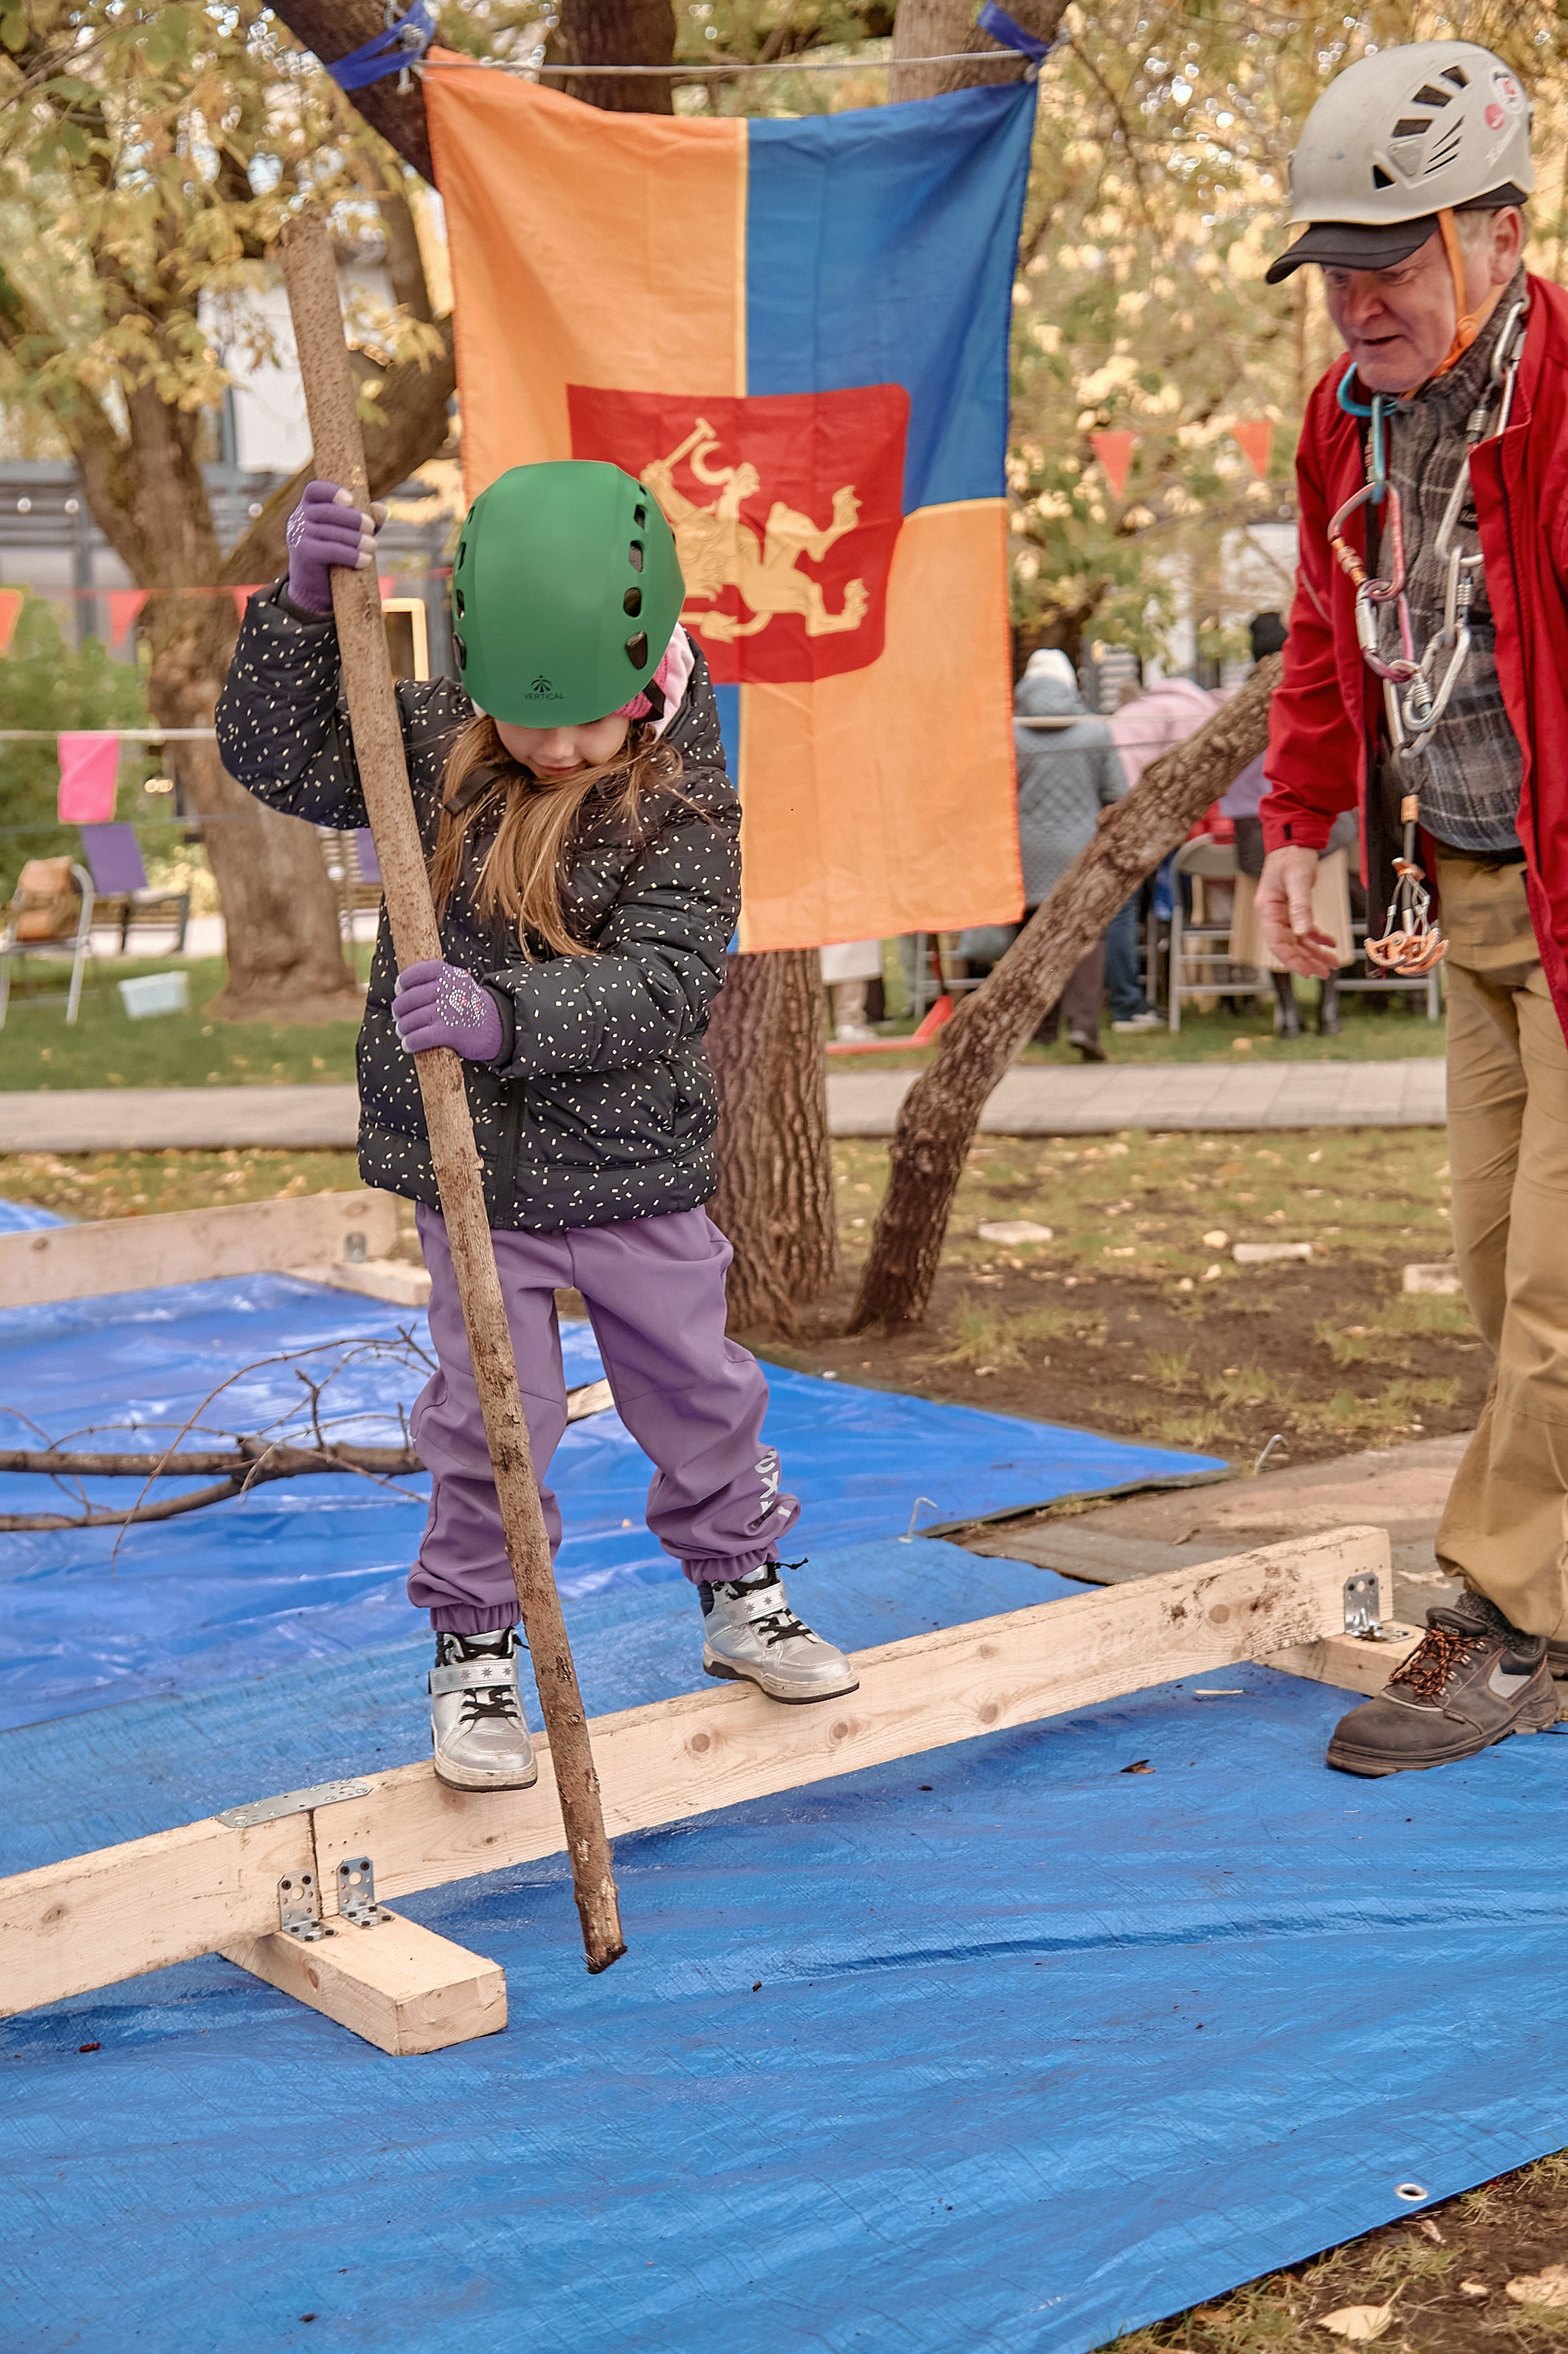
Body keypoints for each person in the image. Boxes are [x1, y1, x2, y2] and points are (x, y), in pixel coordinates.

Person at [214, 463, 856, 1793]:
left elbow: (667, 982)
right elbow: (276, 753)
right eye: (526, 721)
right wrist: (293, 605)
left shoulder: (685, 805)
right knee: (486, 1414)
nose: (554, 750)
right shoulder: (443, 742)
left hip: (630, 1168)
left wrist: (503, 1012)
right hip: (479, 1179)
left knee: (697, 1391)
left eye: (584, 725)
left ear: (646, 679)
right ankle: (476, 1645)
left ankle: (739, 1584)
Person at [1253, 39, 1568, 1776]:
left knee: (1555, 1294)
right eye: (1330, 273)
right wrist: (1301, 824)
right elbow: (1323, 638)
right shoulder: (1342, 426)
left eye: (1384, 262)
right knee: (1487, 1253)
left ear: (1501, 235)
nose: (1350, 302)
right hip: (1471, 896)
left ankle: (1510, 1624)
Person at [1225, 612, 1354, 1036]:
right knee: (1324, 911)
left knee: (1273, 915)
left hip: (1255, 819)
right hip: (1318, 815)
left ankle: (1287, 1013)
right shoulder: (1307, 688)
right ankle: (1330, 1010)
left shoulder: (1238, 704)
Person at [1011, 649, 1129, 1059]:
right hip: (1078, 849)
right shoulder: (1094, 731)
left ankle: (1038, 1024)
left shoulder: (1010, 732)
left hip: (1024, 851)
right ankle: (1083, 1025)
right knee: (1084, 936)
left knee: (1031, 940)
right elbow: (1117, 794)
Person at [1105, 669, 1220, 1028]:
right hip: (1141, 817)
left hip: (1114, 807)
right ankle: (1132, 1005)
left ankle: (1132, 998)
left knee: (1124, 910)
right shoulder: (1193, 713)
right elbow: (1189, 780)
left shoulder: (1148, 709)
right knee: (1142, 909)